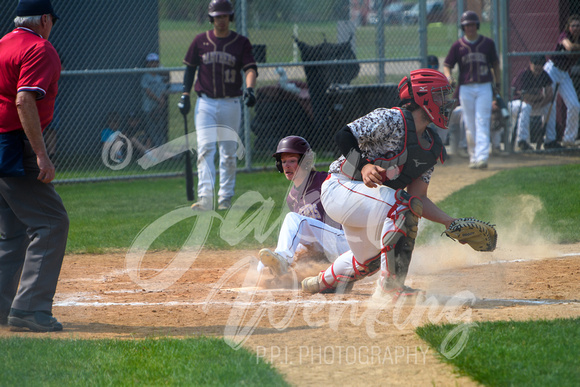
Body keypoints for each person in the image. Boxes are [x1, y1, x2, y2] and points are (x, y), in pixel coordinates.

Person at [301, 69, 459, 301]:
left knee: (369, 260)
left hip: (369, 204)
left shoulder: (430, 147)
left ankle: (323, 282)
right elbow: (344, 135)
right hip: (340, 188)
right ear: (423, 97)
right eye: (440, 96)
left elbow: (420, 199)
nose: (446, 102)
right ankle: (391, 287)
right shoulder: (392, 119)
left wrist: (449, 222)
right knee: (402, 207)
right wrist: (364, 166)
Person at [0, 0, 68, 332]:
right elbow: (25, 99)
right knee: (51, 223)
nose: (51, 26)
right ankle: (29, 309)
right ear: (43, 19)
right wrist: (41, 154)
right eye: (51, 20)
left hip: (1, 144)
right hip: (15, 146)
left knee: (13, 231)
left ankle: (2, 306)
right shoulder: (40, 48)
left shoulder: (2, 45)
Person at [178, 0, 257, 211]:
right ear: (211, 18)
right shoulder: (200, 41)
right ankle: (205, 198)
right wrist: (185, 95)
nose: (220, 20)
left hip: (231, 103)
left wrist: (249, 89)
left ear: (230, 17)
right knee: (205, 149)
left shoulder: (241, 42)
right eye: (217, 16)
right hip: (205, 103)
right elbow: (189, 70)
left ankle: (225, 198)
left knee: (229, 153)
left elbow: (250, 69)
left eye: (224, 16)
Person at [257, 136, 351, 279]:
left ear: (306, 162)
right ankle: (278, 273)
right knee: (262, 265)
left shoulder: (324, 180)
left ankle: (283, 260)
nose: (286, 165)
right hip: (326, 249)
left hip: (346, 242)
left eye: (292, 161)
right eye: (283, 161)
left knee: (294, 219)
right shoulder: (292, 197)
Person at [443, 10, 501, 169]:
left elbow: (496, 64)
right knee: (469, 123)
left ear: (477, 25)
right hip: (466, 88)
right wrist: (448, 77)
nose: (470, 27)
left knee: (482, 120)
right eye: (466, 25)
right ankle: (474, 156)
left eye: (472, 24)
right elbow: (447, 64)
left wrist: (498, 84)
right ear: (463, 27)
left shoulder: (487, 43)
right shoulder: (458, 45)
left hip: (484, 86)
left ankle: (482, 156)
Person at [543, 14, 580, 148]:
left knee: (575, 105)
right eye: (573, 26)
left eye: (578, 26)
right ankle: (549, 139)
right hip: (552, 70)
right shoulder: (564, 35)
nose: (575, 28)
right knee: (549, 104)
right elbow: (568, 47)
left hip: (564, 74)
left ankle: (569, 139)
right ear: (569, 27)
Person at [509, 55, 554, 151]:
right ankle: (522, 141)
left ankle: (550, 140)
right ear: (530, 64)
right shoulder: (524, 74)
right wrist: (539, 97)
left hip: (534, 105)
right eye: (536, 64)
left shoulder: (543, 74)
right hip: (515, 104)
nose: (538, 67)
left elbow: (550, 95)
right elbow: (523, 96)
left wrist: (539, 104)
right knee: (526, 107)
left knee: (550, 106)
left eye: (541, 64)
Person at [141, 52, 169, 147]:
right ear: (147, 64)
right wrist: (158, 100)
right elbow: (148, 91)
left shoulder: (159, 77)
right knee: (151, 129)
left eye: (155, 62)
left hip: (158, 108)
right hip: (149, 108)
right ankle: (154, 148)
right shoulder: (145, 76)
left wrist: (161, 101)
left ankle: (161, 146)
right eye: (151, 62)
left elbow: (163, 90)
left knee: (160, 128)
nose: (153, 64)